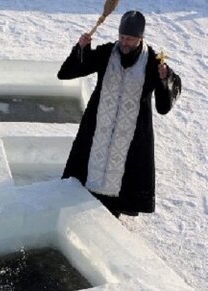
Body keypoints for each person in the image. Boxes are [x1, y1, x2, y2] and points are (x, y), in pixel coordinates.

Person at [57, 10, 182, 217]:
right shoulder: (107, 53)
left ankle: (113, 215)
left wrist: (165, 77)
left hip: (131, 135)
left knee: (122, 181)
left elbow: (164, 105)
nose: (124, 43)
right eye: (122, 37)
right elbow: (67, 73)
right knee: (86, 178)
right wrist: (82, 48)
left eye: (130, 39)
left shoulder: (153, 62)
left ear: (140, 38)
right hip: (98, 127)